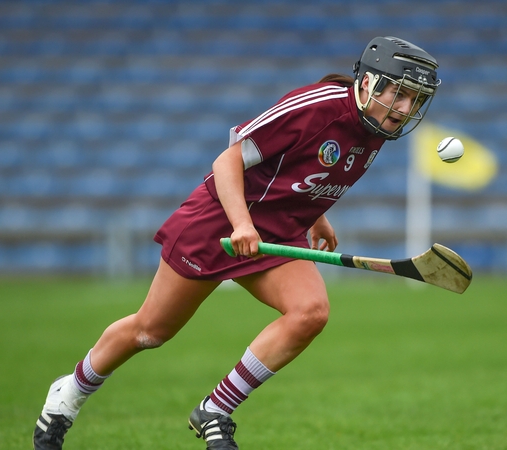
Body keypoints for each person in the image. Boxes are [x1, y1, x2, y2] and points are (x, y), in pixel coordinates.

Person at [33, 36, 441, 450]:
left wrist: (317, 215)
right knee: (149, 332)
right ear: (369, 83)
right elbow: (228, 159)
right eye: (400, 94)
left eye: (415, 100)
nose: (405, 110)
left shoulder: (374, 131)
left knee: (310, 312)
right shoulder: (317, 106)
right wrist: (242, 225)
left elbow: (297, 170)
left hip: (277, 236)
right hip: (217, 224)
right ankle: (66, 397)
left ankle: (215, 409)